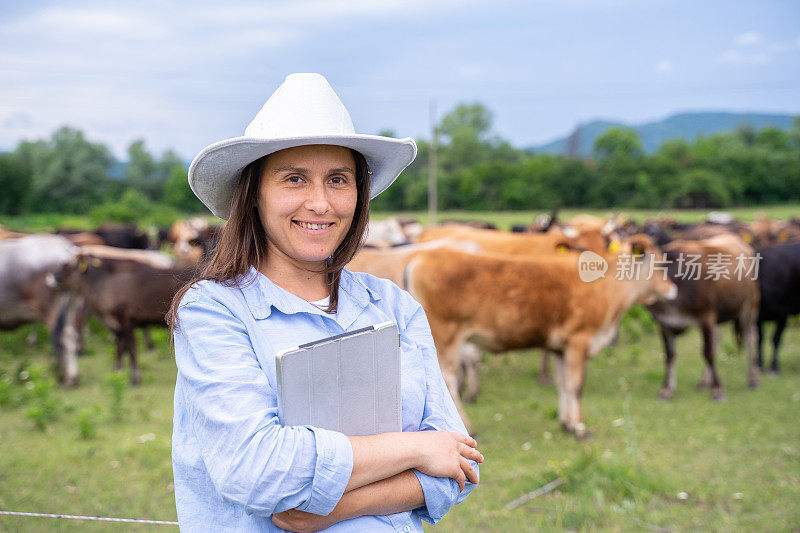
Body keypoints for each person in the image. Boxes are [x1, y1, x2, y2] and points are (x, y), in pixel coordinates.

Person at [169, 73, 482, 532]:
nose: (320, 203)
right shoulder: (214, 311)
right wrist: (415, 449)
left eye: (338, 179)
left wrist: (332, 508)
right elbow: (255, 473)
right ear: (254, 194)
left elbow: (461, 466)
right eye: (294, 179)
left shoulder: (394, 307)